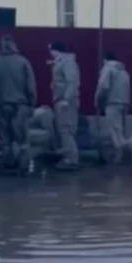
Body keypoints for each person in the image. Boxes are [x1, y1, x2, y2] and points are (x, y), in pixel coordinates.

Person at [0, 35, 37, 174]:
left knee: (6, 139)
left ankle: (8, 163)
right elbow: (30, 85)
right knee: (22, 139)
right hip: (20, 106)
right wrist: (32, 103)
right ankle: (24, 166)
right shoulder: (23, 62)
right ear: (14, 45)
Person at [48, 42, 80, 171]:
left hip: (65, 101)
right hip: (61, 100)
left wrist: (66, 99)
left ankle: (71, 159)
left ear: (55, 50)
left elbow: (72, 82)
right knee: (64, 130)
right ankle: (69, 157)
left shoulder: (67, 63)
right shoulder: (62, 62)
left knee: (66, 129)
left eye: (50, 49)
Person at [93, 50, 130, 164]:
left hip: (112, 103)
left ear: (105, 60)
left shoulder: (107, 69)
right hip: (123, 103)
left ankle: (120, 158)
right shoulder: (123, 71)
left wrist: (97, 100)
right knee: (120, 130)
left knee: (115, 131)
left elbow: (103, 86)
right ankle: (124, 155)